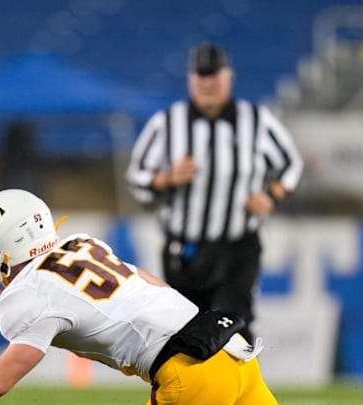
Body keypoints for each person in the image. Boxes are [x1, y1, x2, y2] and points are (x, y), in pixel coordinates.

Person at [0, 188, 278, 405]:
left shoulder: (27, 295)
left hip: (189, 372)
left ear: (2, 247)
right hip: (229, 348)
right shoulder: (81, 243)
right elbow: (152, 283)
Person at [125, 43, 303, 342]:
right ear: (190, 80)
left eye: (214, 77)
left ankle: (240, 389)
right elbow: (137, 178)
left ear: (229, 78)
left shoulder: (256, 121)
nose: (207, 84)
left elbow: (291, 164)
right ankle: (191, 390)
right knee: (184, 327)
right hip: (185, 249)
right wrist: (166, 179)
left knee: (236, 322)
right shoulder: (167, 124)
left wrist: (271, 195)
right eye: (200, 77)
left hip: (238, 245)